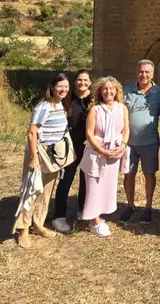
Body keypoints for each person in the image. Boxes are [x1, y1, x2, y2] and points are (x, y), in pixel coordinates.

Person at [13, 74, 70, 249]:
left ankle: (38, 224)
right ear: (52, 87)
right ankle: (22, 231)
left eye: (66, 87)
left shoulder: (60, 105)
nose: (63, 90)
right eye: (60, 86)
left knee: (46, 192)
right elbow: (32, 133)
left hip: (53, 155)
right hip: (40, 153)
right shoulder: (43, 107)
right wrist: (33, 158)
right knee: (31, 191)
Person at [79, 77, 130, 237]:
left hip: (114, 152)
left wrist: (122, 145)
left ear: (116, 91)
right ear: (100, 91)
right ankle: (94, 221)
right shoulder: (95, 109)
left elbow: (126, 130)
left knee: (108, 186)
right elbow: (89, 133)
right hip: (97, 153)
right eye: (105, 89)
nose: (108, 91)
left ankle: (101, 214)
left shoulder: (122, 108)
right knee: (94, 186)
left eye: (111, 89)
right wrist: (101, 150)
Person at [121, 60, 160, 225]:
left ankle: (148, 207)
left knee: (149, 174)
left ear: (152, 74)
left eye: (147, 72)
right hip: (129, 142)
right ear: (137, 72)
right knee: (129, 174)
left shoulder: (159, 92)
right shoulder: (127, 90)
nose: (144, 75)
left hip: (150, 141)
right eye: (141, 71)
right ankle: (130, 205)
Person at [51, 69, 91, 233]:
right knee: (65, 180)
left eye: (86, 80)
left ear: (90, 82)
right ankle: (58, 216)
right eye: (79, 80)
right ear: (75, 82)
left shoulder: (93, 99)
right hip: (69, 147)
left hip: (88, 147)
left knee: (85, 180)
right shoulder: (67, 99)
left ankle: (83, 209)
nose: (82, 83)